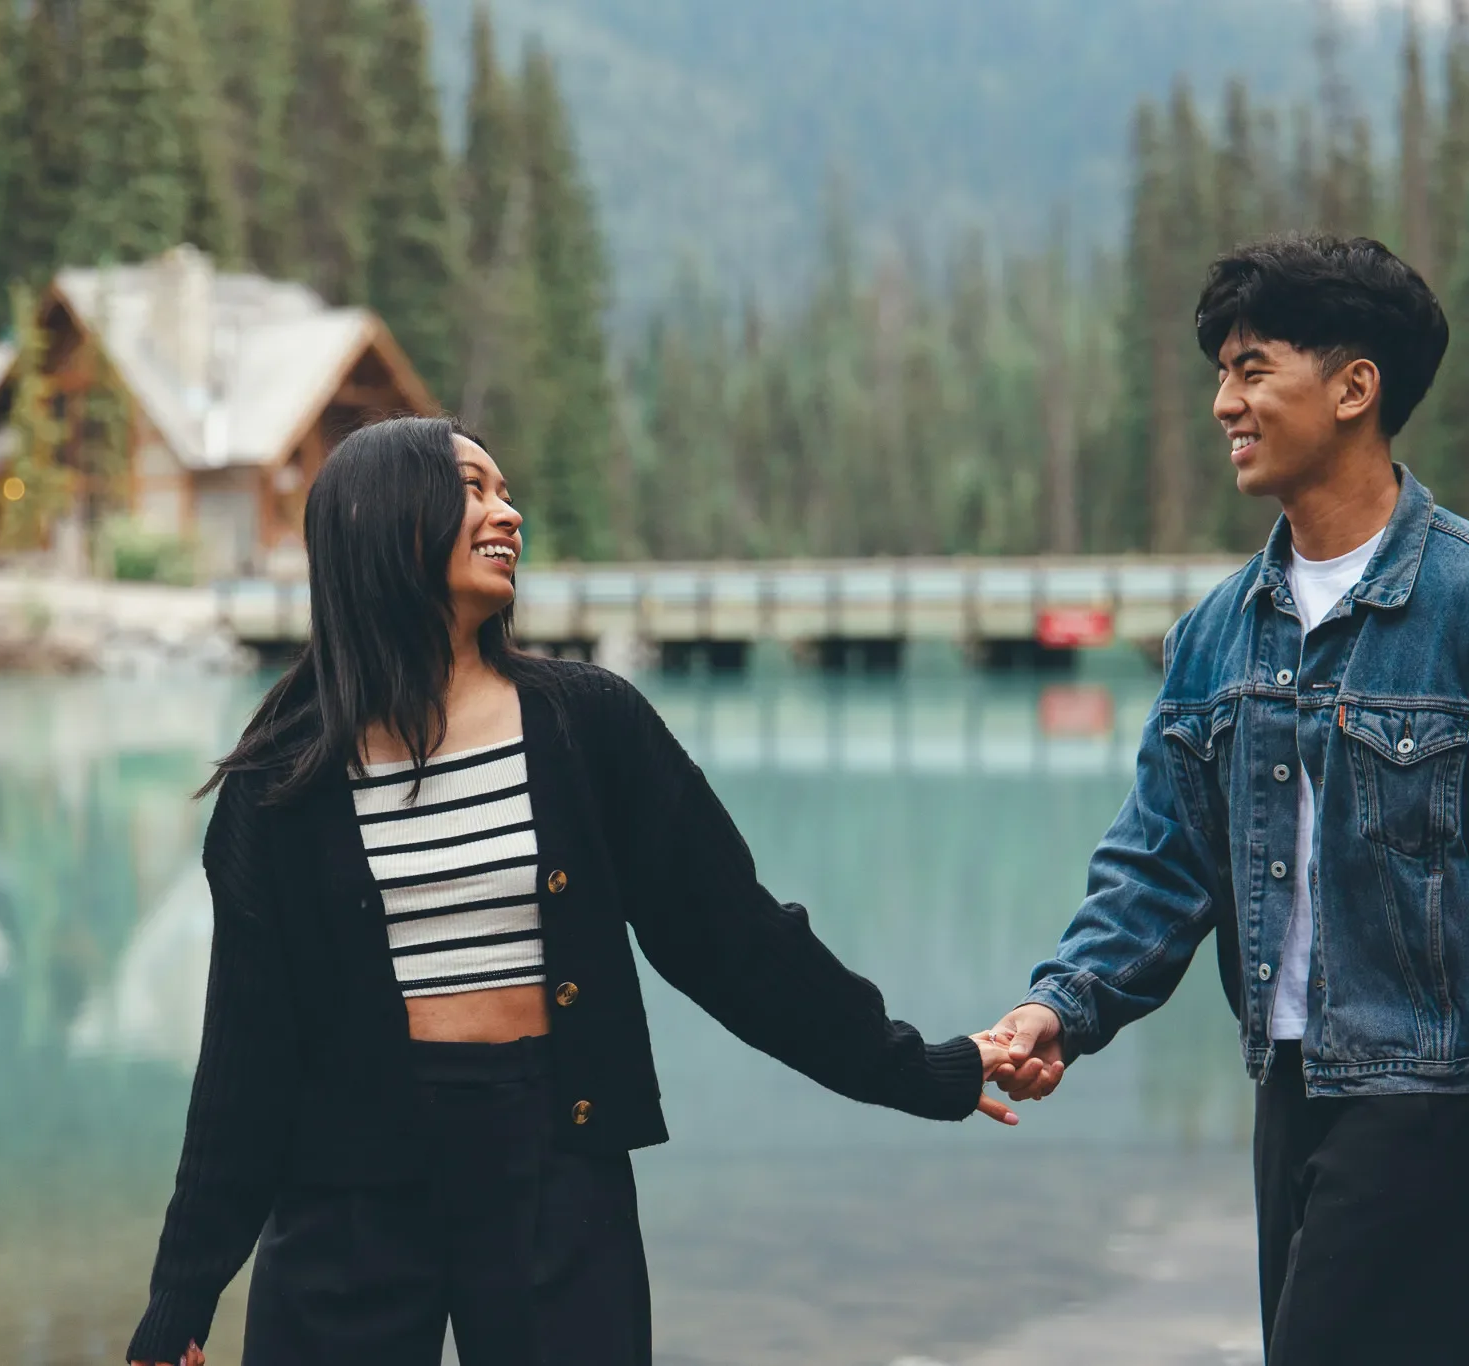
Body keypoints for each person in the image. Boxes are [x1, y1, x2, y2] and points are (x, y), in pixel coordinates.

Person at [125, 415, 1017, 1366]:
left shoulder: (589, 724)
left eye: (507, 493)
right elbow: (245, 1057)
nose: (508, 514)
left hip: (553, 1166)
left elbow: (738, 942)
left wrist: (920, 1070)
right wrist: (181, 1297)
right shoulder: (281, 782)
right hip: (346, 1196)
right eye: (473, 489)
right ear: (381, 517)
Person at [982, 235, 1469, 1365]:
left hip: (1428, 1099)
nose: (1223, 404)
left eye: (1252, 369)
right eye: (1221, 374)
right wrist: (1063, 1005)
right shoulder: (1215, 634)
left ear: (1353, 388)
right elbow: (1159, 864)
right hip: (1286, 1086)